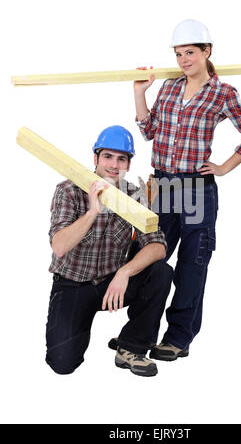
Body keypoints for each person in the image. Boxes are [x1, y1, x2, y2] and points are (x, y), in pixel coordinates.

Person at [133, 19, 241, 361]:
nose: (184, 60)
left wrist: (222, 167)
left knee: (192, 265)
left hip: (196, 190)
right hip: (161, 185)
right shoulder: (170, 88)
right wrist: (139, 94)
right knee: (150, 259)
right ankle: (138, 335)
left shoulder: (223, 93)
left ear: (207, 52)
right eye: (178, 54)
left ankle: (177, 339)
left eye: (190, 52)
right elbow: (149, 132)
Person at [45, 125, 173, 377]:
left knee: (160, 272)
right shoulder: (68, 190)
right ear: (95, 158)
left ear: (128, 164)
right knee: (62, 364)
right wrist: (92, 211)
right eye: (108, 157)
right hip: (72, 285)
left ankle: (131, 347)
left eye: (121, 159)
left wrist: (124, 272)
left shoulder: (134, 196)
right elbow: (59, 246)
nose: (114, 165)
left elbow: (158, 246)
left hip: (111, 284)